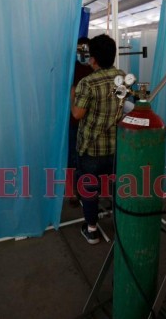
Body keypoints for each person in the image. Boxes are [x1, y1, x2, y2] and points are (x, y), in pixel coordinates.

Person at [71, 34, 125, 244]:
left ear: (92, 58)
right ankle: (121, 221)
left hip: (91, 149)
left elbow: (77, 114)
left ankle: (92, 229)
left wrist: (72, 94)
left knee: (89, 188)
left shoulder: (87, 83)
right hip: (115, 146)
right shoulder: (121, 76)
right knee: (116, 185)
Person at [67, 37, 93, 206]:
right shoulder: (72, 68)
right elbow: (71, 91)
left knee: (83, 158)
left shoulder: (92, 70)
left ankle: (82, 189)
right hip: (74, 119)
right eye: (80, 50)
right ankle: (71, 192)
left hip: (87, 121)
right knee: (72, 157)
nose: (82, 54)